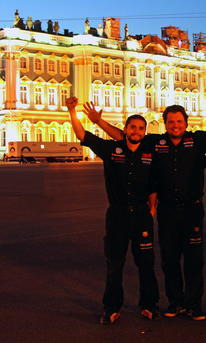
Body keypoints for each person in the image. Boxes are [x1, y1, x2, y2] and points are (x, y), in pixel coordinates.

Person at [84, 99, 206, 320]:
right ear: (165, 124)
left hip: (192, 209)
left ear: (186, 123)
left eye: (179, 121)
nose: (175, 125)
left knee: (194, 260)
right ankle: (175, 303)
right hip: (167, 211)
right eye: (171, 122)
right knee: (169, 259)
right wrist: (100, 122)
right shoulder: (156, 142)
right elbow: (123, 137)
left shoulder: (198, 139)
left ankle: (194, 305)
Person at [67, 97, 162, 323]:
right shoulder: (112, 149)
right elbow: (82, 136)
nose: (136, 131)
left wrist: (152, 211)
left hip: (141, 215)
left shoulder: (150, 152)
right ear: (125, 129)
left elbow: (153, 185)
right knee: (115, 263)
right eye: (132, 127)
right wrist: (72, 111)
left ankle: (149, 305)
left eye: (140, 128)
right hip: (117, 215)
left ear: (144, 132)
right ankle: (111, 307)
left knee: (146, 263)